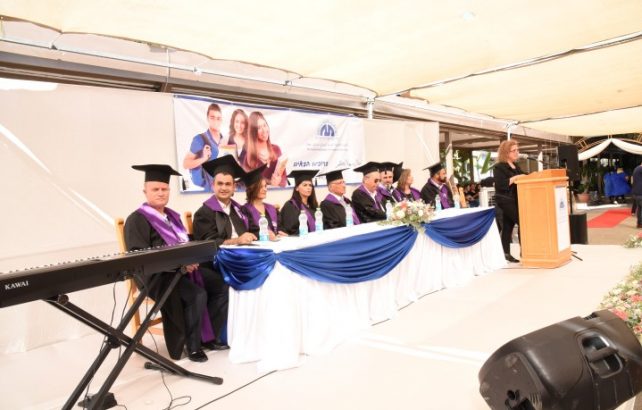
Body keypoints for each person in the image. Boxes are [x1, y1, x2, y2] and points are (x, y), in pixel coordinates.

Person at [124, 164, 214, 362]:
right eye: (155, 189)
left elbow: (184, 243)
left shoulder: (172, 216)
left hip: (181, 270)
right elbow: (140, 257)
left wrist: (191, 258)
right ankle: (192, 346)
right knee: (196, 294)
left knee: (219, 282)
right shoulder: (137, 219)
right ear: (145, 192)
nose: (160, 193)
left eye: (164, 189)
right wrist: (179, 264)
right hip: (155, 275)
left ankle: (210, 336)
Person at [192, 156, 259, 348]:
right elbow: (207, 243)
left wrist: (263, 234)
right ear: (213, 185)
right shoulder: (204, 213)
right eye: (220, 184)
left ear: (234, 187)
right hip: (214, 264)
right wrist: (237, 240)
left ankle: (253, 327)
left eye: (228, 184)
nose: (224, 188)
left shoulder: (240, 210)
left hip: (241, 259)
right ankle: (219, 335)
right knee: (226, 284)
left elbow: (254, 230)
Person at [493, 140, 527, 262]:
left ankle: (505, 253)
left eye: (517, 150)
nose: (517, 152)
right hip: (505, 200)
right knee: (523, 222)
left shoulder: (516, 166)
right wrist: (516, 177)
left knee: (508, 226)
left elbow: (525, 176)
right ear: (506, 152)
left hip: (515, 199)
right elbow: (501, 185)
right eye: (514, 150)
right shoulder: (499, 167)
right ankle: (526, 251)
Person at [183, 103, 225, 191]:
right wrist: (203, 159)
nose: (215, 121)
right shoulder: (199, 139)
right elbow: (186, 164)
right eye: (212, 117)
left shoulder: (225, 141)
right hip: (205, 190)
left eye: (218, 118)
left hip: (222, 188)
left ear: (221, 120)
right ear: (207, 118)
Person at [241, 111, 287, 187]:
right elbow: (248, 186)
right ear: (253, 132)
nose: (264, 130)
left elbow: (284, 179)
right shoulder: (249, 158)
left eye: (265, 125)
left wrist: (279, 181)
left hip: (277, 193)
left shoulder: (276, 149)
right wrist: (270, 183)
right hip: (260, 194)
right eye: (259, 128)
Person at [241, 164, 287, 238]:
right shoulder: (244, 210)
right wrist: (263, 235)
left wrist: (281, 233)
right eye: (260, 187)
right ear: (252, 189)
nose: (265, 189)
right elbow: (246, 233)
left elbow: (280, 228)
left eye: (265, 186)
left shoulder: (272, 209)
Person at [279, 170, 319, 235]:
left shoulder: (313, 205)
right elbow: (289, 230)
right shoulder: (290, 206)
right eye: (305, 185)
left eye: (310, 185)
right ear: (297, 188)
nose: (308, 188)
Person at [632, 160, 642, 229]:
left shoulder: (636, 169)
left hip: (636, 192)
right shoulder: (640, 169)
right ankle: (640, 223)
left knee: (639, 209)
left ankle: (639, 224)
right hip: (640, 192)